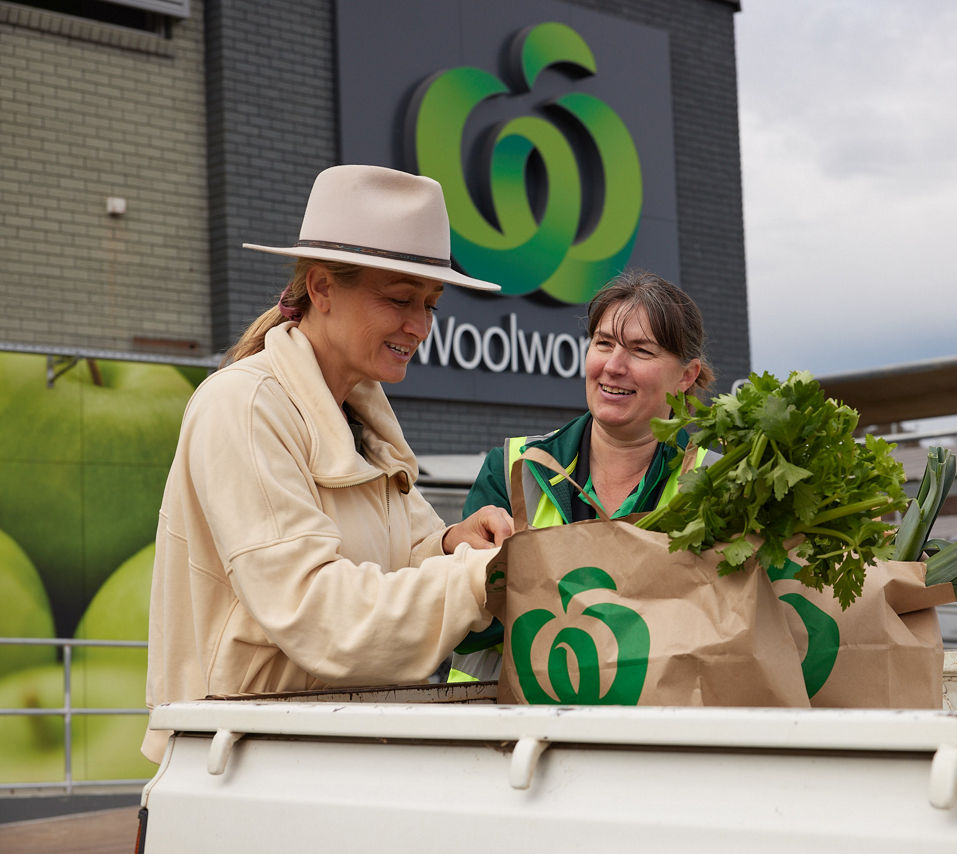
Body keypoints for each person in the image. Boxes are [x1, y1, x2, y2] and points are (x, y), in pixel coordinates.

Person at [143, 165, 513, 762]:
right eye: (398, 300)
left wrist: (450, 543)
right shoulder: (244, 406)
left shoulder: (360, 415)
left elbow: (402, 552)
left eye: (431, 305)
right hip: (242, 766)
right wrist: (478, 576)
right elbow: (319, 613)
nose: (418, 327)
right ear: (321, 288)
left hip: (323, 755)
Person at [449, 269, 715, 682]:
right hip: (511, 735)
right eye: (603, 343)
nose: (613, 366)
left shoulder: (714, 485)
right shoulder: (513, 467)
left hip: (656, 734)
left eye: (641, 351)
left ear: (686, 375)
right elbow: (460, 626)